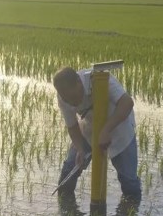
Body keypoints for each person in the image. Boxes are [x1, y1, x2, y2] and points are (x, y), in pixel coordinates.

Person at [52, 67, 141, 197]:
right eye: (66, 99)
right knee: (68, 173)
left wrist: (106, 130)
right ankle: (67, 213)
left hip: (119, 128)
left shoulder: (100, 79)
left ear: (78, 82)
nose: (71, 102)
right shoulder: (63, 96)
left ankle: (128, 215)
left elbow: (127, 103)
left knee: (129, 183)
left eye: (73, 97)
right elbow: (72, 126)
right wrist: (80, 149)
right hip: (90, 130)